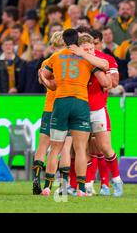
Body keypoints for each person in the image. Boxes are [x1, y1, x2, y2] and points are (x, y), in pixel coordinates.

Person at [40, 29, 109, 196]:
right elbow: (105, 69)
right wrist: (84, 55)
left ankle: (48, 187)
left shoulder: (55, 57)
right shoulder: (86, 59)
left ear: (63, 41)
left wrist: (45, 81)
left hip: (61, 102)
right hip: (80, 103)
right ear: (77, 40)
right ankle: (81, 189)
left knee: (55, 147)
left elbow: (47, 77)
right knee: (80, 149)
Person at [83, 29, 123, 197]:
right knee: (85, 150)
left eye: (91, 46)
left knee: (105, 148)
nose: (89, 50)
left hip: (98, 109)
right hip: (81, 109)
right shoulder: (77, 62)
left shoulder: (105, 59)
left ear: (95, 44)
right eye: (84, 48)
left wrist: (96, 68)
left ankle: (116, 182)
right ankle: (87, 184)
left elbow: (111, 83)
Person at [32, 31, 67, 194]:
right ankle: (61, 185)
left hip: (49, 107)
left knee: (42, 146)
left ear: (52, 45)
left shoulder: (48, 61)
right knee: (62, 148)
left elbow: (41, 80)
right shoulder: (69, 61)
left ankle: (36, 179)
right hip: (63, 106)